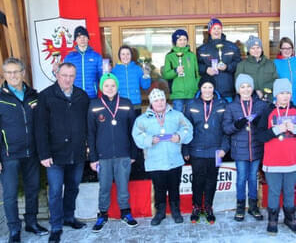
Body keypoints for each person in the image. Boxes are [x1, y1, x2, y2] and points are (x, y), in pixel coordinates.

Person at [35, 63, 90, 243]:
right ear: (57, 74)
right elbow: (40, 128)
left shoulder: (82, 96)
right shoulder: (45, 96)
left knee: (73, 188)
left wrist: (88, 146)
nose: (68, 79)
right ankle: (56, 226)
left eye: (71, 76)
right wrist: (44, 154)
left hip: (77, 152)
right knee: (56, 191)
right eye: (64, 75)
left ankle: (69, 217)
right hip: (55, 155)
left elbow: (88, 124)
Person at [0, 58, 48, 243]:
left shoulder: (33, 95)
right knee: (10, 194)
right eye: (9, 72)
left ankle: (31, 222)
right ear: (4, 75)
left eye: (16, 71)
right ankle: (14, 229)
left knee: (32, 189)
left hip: (31, 153)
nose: (13, 75)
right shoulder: (1, 97)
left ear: (23, 73)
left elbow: (41, 125)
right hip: (9, 155)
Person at [256, 78, 296, 235]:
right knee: (273, 191)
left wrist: (295, 129)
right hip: (273, 162)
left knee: (289, 191)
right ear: (276, 95)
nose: (285, 96)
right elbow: (260, 136)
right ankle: (272, 219)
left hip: (292, 161)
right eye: (281, 93)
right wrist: (275, 130)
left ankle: (290, 218)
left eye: (287, 93)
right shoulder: (268, 111)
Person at [132, 88, 193, 226]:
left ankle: (175, 211)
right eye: (156, 100)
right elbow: (137, 135)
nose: (159, 103)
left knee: (174, 187)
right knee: (159, 188)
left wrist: (179, 136)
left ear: (165, 101)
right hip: (155, 161)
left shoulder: (177, 115)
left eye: (162, 100)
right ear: (151, 103)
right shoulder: (142, 119)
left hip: (174, 160)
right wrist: (149, 140)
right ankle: (160, 213)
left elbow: (188, 128)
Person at [88, 73, 138, 232]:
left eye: (113, 85)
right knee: (104, 187)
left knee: (123, 186)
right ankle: (102, 214)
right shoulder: (94, 104)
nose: (110, 88)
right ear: (102, 87)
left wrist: (133, 153)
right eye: (106, 85)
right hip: (103, 156)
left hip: (124, 154)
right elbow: (90, 133)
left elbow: (133, 131)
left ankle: (125, 213)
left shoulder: (126, 103)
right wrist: (93, 157)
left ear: (117, 87)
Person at [183, 76, 229, 224]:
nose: (207, 90)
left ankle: (208, 207)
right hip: (197, 150)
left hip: (216, 151)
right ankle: (196, 207)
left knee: (211, 180)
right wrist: (185, 150)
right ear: (200, 89)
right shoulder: (191, 105)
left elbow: (227, 129)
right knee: (197, 180)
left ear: (214, 88)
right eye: (204, 87)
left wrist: (224, 148)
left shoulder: (223, 104)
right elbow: (185, 129)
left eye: (210, 87)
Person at [223, 74, 267, 222]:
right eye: (242, 87)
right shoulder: (231, 106)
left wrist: (259, 122)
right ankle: (240, 206)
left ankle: (254, 206)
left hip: (255, 147)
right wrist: (237, 125)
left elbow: (267, 125)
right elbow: (226, 128)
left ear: (252, 88)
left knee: (253, 178)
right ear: (238, 89)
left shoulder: (260, 105)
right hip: (239, 149)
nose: (246, 89)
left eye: (248, 86)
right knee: (241, 178)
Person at [197, 18, 241, 102]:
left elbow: (238, 64)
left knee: (228, 114)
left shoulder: (232, 47)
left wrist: (227, 67)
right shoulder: (202, 49)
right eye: (214, 28)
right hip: (209, 92)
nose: (216, 31)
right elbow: (196, 66)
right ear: (210, 30)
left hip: (228, 90)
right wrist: (206, 69)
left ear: (221, 30)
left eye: (219, 28)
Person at [162, 29, 200, 112]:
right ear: (175, 41)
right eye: (180, 40)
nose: (182, 42)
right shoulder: (169, 56)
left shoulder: (192, 55)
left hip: (191, 93)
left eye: (185, 39)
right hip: (177, 94)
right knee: (178, 118)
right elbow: (166, 75)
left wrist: (195, 87)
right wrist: (175, 71)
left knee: (192, 117)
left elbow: (197, 74)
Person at [64, 26, 103, 99]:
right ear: (75, 40)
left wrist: (107, 71)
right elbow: (62, 76)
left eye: (84, 36)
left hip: (92, 96)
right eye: (79, 37)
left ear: (88, 39)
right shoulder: (69, 58)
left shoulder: (96, 56)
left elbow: (102, 77)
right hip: (75, 96)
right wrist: (56, 70)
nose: (82, 39)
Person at [235, 35, 278, 101]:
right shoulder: (242, 65)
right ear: (249, 50)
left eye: (258, 47)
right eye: (253, 48)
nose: (256, 50)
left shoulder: (270, 63)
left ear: (261, 49)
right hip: (250, 100)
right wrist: (255, 91)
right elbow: (238, 85)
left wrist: (263, 90)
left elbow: (275, 81)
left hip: (268, 99)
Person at [112, 45, 151, 116]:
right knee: (123, 127)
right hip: (120, 104)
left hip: (135, 104)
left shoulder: (138, 69)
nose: (125, 56)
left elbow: (145, 86)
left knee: (135, 126)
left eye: (128, 54)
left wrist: (146, 75)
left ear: (131, 55)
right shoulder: (114, 70)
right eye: (123, 54)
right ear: (119, 56)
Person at [274, 37, 296, 104]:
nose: (287, 51)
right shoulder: (275, 63)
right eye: (284, 48)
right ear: (280, 49)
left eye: (289, 48)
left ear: (292, 49)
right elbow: (273, 83)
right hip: (282, 102)